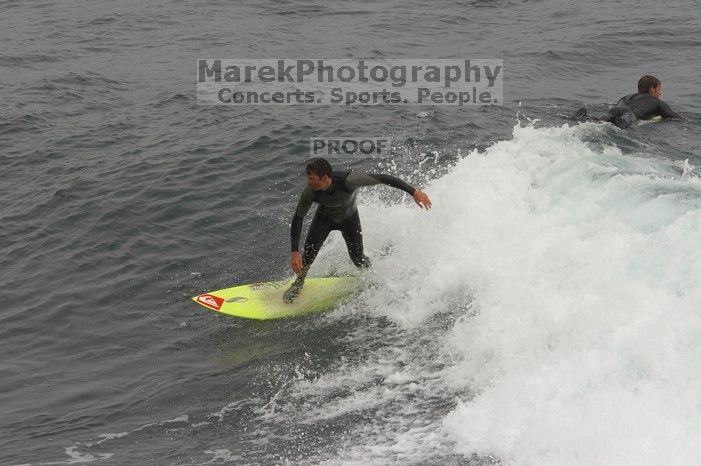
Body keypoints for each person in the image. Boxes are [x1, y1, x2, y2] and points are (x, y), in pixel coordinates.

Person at [283, 158, 432, 303]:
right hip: (324, 220)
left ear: (325, 177)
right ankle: (299, 282)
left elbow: (382, 178)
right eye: (308, 178)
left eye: (311, 178)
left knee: (358, 258)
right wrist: (295, 252)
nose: (308, 182)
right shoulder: (310, 192)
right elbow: (298, 218)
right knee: (308, 256)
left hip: (349, 219)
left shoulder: (349, 180)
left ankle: (372, 277)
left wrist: (413, 191)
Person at [574, 75, 682, 129]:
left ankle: (584, 117)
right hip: (630, 114)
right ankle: (621, 123)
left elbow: (617, 106)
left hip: (614, 110)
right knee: (624, 124)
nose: (660, 93)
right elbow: (676, 118)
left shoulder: (627, 96)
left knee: (600, 121)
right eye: (659, 89)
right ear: (652, 89)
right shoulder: (658, 102)